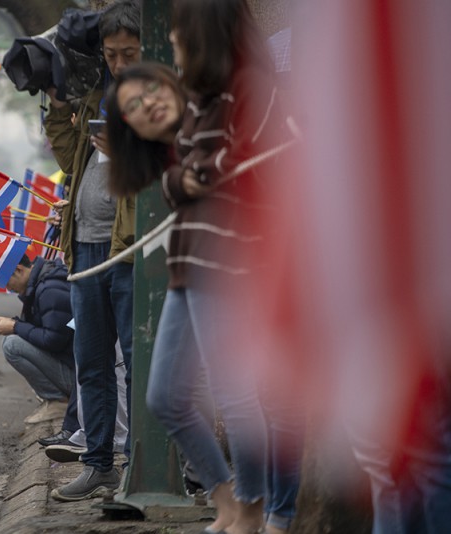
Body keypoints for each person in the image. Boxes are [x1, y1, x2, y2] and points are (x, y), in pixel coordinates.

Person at [105, 1, 292, 532]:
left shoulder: (249, 89)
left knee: (234, 394)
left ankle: (253, 507)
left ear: (206, 34)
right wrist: (184, 181)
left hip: (227, 262)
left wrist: (201, 176)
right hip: (188, 265)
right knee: (164, 395)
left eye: (181, 36)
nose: (176, 48)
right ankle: (229, 495)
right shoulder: (202, 103)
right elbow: (176, 180)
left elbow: (250, 166)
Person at [43, 0, 140, 502]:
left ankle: (137, 467)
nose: (120, 64)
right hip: (83, 248)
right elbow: (68, 155)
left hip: (125, 250)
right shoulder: (96, 93)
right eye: (111, 54)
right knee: (93, 362)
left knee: (134, 359)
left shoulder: (154, 96)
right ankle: (98, 463)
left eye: (128, 54)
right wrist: (59, 106)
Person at [0, 255, 79, 435]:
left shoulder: (49, 289)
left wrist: (15, 326)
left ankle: (58, 401)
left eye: (7, 282)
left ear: (19, 270)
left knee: (12, 345)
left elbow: (53, 340)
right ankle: (55, 400)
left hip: (76, 377)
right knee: (12, 339)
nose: (8, 288)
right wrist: (13, 323)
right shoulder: (42, 283)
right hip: (71, 365)